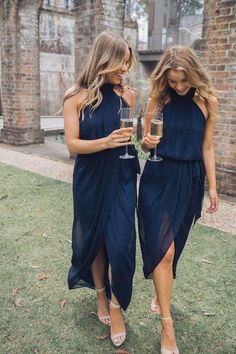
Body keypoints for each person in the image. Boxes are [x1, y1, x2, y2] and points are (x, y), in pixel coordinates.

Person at [138, 45, 219, 354]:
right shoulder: (158, 100)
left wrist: (212, 187)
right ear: (165, 77)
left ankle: (162, 294)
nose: (179, 86)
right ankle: (167, 326)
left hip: (189, 180)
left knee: (177, 244)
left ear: (193, 74)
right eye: (173, 81)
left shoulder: (206, 102)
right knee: (165, 251)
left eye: (184, 80)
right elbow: (146, 144)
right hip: (158, 177)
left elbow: (207, 147)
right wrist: (146, 141)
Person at [63, 32, 140, 347]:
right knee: (94, 240)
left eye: (127, 62)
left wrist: (130, 137)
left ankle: (116, 303)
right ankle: (100, 295)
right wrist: (106, 142)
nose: (125, 68)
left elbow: (127, 132)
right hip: (91, 178)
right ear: (104, 58)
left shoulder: (128, 95)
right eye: (121, 61)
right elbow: (72, 144)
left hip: (122, 174)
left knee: (121, 245)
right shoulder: (75, 96)